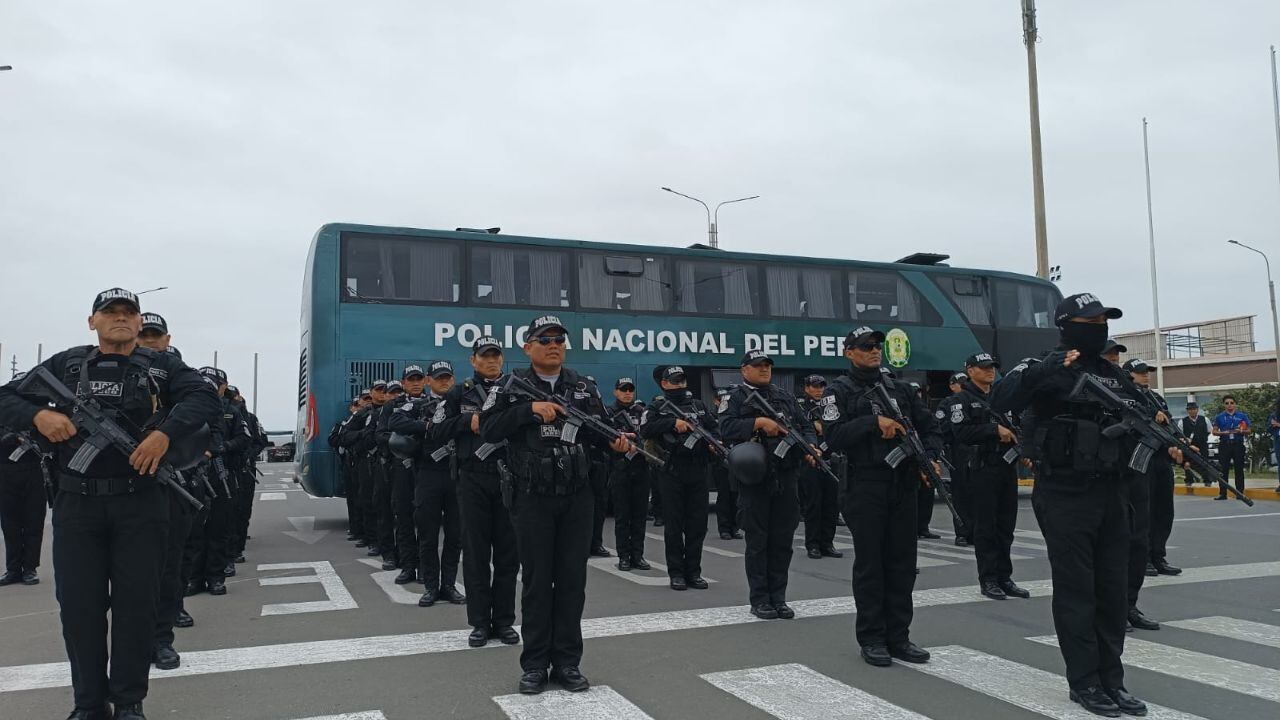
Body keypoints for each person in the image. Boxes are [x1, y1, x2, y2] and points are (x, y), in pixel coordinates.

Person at [0, 288, 221, 720]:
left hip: (140, 504)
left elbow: (204, 398)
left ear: (140, 324)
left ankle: (129, 701)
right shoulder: (66, 364)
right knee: (79, 609)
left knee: (136, 608)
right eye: (110, 312)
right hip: (76, 506)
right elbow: (6, 397)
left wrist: (165, 433)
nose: (120, 319)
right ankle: (88, 703)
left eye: (128, 313)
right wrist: (38, 416)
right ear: (92, 321)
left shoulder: (162, 366)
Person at [992, 293, 1180, 717]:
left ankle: (1112, 680)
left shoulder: (1112, 374)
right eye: (1090, 320)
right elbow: (1000, 400)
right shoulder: (1044, 366)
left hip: (1113, 493)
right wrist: (1045, 370)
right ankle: (1085, 682)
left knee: (1112, 591)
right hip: (1065, 494)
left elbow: (1144, 416)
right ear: (1067, 325)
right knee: (1078, 591)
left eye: (1104, 321)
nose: (1100, 327)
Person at [480, 314, 631, 695]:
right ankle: (533, 665)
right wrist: (528, 411)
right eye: (544, 339)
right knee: (535, 584)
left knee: (571, 583)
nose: (553, 345)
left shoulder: (581, 386)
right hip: (531, 498)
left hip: (576, 497)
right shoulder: (511, 387)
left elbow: (598, 429)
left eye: (559, 339)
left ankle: (567, 662)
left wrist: (616, 442)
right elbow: (488, 428)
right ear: (527, 346)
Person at [824, 327, 941, 668]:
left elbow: (931, 426)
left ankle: (899, 637)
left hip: (902, 485)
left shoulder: (899, 388)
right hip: (865, 485)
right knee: (871, 566)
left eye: (877, 346)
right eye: (866, 347)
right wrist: (873, 422)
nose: (875, 351)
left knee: (903, 565)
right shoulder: (837, 392)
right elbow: (833, 436)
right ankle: (873, 638)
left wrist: (931, 455)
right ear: (849, 352)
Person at [430, 338, 520, 647]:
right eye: (485, 356)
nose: (491, 361)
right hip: (472, 479)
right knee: (476, 553)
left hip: (509, 477)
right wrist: (470, 421)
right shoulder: (459, 392)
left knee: (509, 555)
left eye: (496, 355)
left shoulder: (516, 388)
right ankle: (480, 623)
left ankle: (505, 621)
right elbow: (436, 430)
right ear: (473, 360)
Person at [719, 349, 816, 621]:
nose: (764, 370)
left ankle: (779, 598)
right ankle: (760, 599)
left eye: (767, 366)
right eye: (758, 365)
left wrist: (812, 447)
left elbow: (805, 426)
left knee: (783, 541)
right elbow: (725, 428)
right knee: (758, 540)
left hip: (786, 476)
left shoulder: (784, 397)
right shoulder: (735, 397)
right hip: (756, 478)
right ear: (744, 370)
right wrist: (757, 422)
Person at [136, 313, 201, 671]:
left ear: (166, 339)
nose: (147, 340)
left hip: (168, 480)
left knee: (169, 565)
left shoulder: (179, 380)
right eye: (142, 334)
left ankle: (161, 639)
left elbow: (202, 417)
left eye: (154, 335)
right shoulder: (105, 373)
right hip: (119, 488)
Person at [948, 353, 1028, 601]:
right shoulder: (962, 400)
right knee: (986, 527)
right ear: (970, 370)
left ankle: (1005, 577)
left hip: (1006, 467)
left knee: (1006, 526)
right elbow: (959, 433)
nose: (989, 371)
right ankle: (989, 579)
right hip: (982, 468)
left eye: (992, 367)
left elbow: (1019, 426)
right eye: (983, 368)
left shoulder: (1002, 398)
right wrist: (993, 430)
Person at [388, 360, 464, 607]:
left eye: (448, 377)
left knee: (455, 535)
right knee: (428, 534)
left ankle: (449, 585)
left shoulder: (462, 401)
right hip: (428, 474)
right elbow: (395, 422)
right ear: (429, 380)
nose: (444, 381)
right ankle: (431, 586)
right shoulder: (418, 404)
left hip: (457, 474)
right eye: (439, 377)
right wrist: (427, 425)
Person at [641, 365, 719, 590]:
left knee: (697, 525)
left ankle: (694, 572)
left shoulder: (698, 405)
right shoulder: (657, 407)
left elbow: (715, 429)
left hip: (698, 470)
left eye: (682, 381)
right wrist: (673, 423)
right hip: (672, 471)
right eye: (675, 381)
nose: (680, 385)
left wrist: (715, 443)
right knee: (674, 525)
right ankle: (676, 573)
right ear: (664, 384)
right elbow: (645, 430)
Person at [186, 367, 251, 599]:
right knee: (194, 530)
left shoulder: (231, 412)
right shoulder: (189, 407)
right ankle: (194, 578)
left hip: (221, 473)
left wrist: (222, 448)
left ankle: (215, 577)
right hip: (193, 473)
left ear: (223, 386)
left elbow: (245, 438)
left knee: (219, 526)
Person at [0, 374, 47, 588]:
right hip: (6, 472)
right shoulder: (5, 409)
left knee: (33, 522)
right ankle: (12, 569)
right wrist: (8, 438)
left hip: (35, 471)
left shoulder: (40, 411)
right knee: (10, 524)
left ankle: (29, 568)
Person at [606, 377, 651, 571]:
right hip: (620, 469)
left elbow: (650, 436)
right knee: (623, 517)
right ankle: (624, 556)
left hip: (641, 468)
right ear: (616, 391)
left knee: (640, 516)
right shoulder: (609, 413)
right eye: (623, 389)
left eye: (630, 390)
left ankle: (638, 555)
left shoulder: (643, 413)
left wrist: (639, 441)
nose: (627, 393)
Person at [796, 374, 841, 560]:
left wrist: (822, 426)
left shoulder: (830, 405)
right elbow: (798, 428)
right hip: (811, 460)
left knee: (832, 504)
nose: (819, 389)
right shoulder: (800, 406)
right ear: (806, 388)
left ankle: (827, 543)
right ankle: (813, 545)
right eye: (814, 386)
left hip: (833, 458)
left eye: (821, 386)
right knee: (814, 504)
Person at [388, 368, 425, 583]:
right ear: (404, 382)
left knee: (426, 522)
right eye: (411, 380)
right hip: (401, 466)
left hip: (425, 467)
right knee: (403, 517)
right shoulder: (392, 406)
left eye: (419, 379)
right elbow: (382, 434)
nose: (416, 383)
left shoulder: (434, 403)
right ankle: (408, 566)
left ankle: (424, 567)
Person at [940, 372, 973, 546]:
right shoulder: (947, 403)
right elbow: (941, 428)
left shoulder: (974, 400)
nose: (963, 385)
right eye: (960, 383)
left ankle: (976, 531)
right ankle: (962, 532)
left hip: (975, 452)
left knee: (977, 493)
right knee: (960, 494)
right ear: (952, 385)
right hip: (957, 452)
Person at [711, 387, 741, 540]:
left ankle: (734, 527)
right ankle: (724, 528)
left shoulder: (734, 417)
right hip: (720, 461)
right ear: (715, 401)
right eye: (720, 400)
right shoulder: (712, 419)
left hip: (735, 458)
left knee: (736, 494)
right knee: (724, 495)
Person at [1212, 396, 1250, 501]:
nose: (1229, 405)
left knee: (1239, 469)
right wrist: (1222, 432)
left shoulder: (1242, 416)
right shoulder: (1219, 417)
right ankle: (1223, 493)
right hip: (1225, 444)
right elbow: (1214, 431)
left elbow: (1249, 430)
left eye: (1231, 402)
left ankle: (1239, 493)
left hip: (1238, 444)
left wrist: (1241, 431)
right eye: (1227, 403)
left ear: (1235, 404)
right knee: (1223, 470)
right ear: (1224, 405)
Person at [1179, 403, 1211, 487]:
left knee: (1205, 462)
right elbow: (1180, 435)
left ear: (1197, 409)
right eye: (1190, 409)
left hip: (1202, 445)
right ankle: (1189, 480)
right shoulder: (1182, 421)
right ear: (1187, 411)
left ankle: (1207, 480)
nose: (1192, 411)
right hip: (1189, 446)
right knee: (1188, 462)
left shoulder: (1205, 419)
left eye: (1194, 409)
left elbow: (1209, 431)